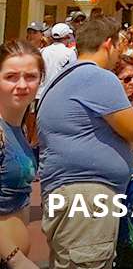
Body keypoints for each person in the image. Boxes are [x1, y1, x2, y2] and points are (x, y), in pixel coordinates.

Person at [36, 15, 133, 269]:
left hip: (71, 194)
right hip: (86, 197)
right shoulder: (97, 77)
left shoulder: (67, 76)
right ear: (109, 44)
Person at [1, 41, 44, 268]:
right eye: (11, 77)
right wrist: (15, 258)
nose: (22, 85)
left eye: (30, 77)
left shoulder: (17, 129)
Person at [39, 23, 74, 94]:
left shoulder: (42, 51)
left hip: (40, 93)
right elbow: (73, 75)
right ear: (67, 37)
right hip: (57, 93)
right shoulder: (70, 53)